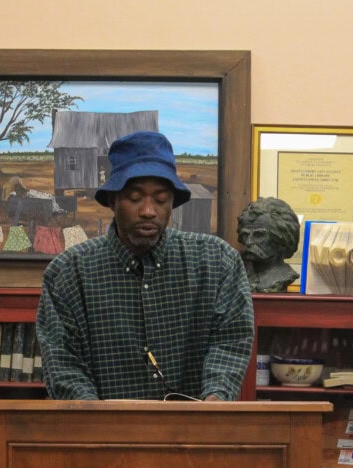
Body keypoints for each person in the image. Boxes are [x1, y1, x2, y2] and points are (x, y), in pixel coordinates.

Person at [36, 131, 254, 401]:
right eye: (135, 198)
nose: (149, 210)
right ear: (113, 200)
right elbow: (63, 362)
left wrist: (214, 402)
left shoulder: (217, 262)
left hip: (196, 434)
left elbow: (231, 340)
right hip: (103, 435)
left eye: (161, 199)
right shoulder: (69, 273)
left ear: (173, 202)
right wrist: (93, 419)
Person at [237, 196, 300, 293]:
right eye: (245, 235)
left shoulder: (284, 276)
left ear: (281, 239)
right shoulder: (236, 277)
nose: (249, 242)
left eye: (259, 235)